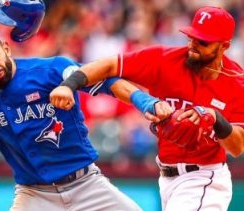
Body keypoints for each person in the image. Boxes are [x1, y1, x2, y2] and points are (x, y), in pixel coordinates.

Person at [0, 24, 174, 210]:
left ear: (6, 48)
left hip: (86, 185)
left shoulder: (49, 70)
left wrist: (145, 101)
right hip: (34, 195)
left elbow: (108, 81)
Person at [50, 6, 244, 211]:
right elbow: (109, 66)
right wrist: (68, 85)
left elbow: (237, 146)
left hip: (205, 178)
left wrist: (216, 118)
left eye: (203, 41)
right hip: (167, 178)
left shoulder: (237, 84)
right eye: (192, 36)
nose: (193, 45)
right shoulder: (166, 60)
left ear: (224, 46)